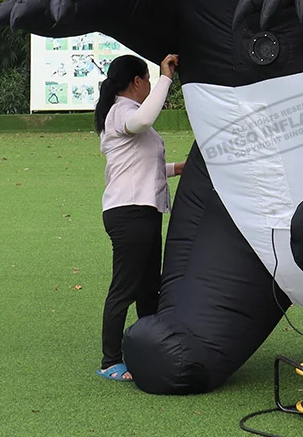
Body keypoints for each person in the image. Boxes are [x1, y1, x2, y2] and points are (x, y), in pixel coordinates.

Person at [94, 53, 186, 381]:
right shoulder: (122, 111)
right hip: (130, 213)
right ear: (137, 81)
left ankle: (150, 351)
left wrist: (177, 169)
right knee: (126, 287)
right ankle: (110, 361)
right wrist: (166, 78)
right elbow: (144, 121)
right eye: (147, 79)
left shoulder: (124, 113)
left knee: (148, 288)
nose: (150, 85)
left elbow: (141, 168)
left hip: (141, 211)